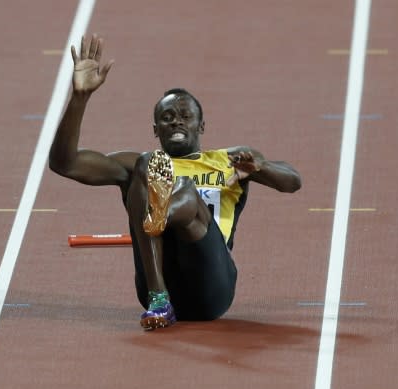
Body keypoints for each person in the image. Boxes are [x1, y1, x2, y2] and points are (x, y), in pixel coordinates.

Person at [48, 34, 301, 330]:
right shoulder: (137, 166)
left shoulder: (231, 160)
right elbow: (64, 164)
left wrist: (263, 167)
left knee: (187, 193)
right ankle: (159, 297)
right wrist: (79, 99)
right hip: (160, 283)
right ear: (156, 129)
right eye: (167, 117)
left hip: (211, 287)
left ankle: (160, 215)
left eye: (185, 116)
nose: (176, 121)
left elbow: (292, 181)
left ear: (201, 125)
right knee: (149, 163)